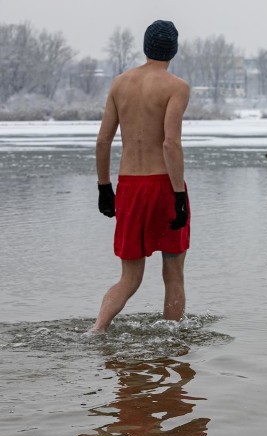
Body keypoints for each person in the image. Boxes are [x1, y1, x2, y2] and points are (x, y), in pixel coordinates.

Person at [90, 20, 191, 333]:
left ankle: (96, 330)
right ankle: (172, 345)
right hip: (163, 184)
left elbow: (102, 140)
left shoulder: (120, 84)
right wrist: (178, 196)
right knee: (173, 273)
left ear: (146, 46)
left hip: (129, 186)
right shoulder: (176, 87)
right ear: (173, 49)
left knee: (129, 278)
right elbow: (170, 143)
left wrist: (104, 187)